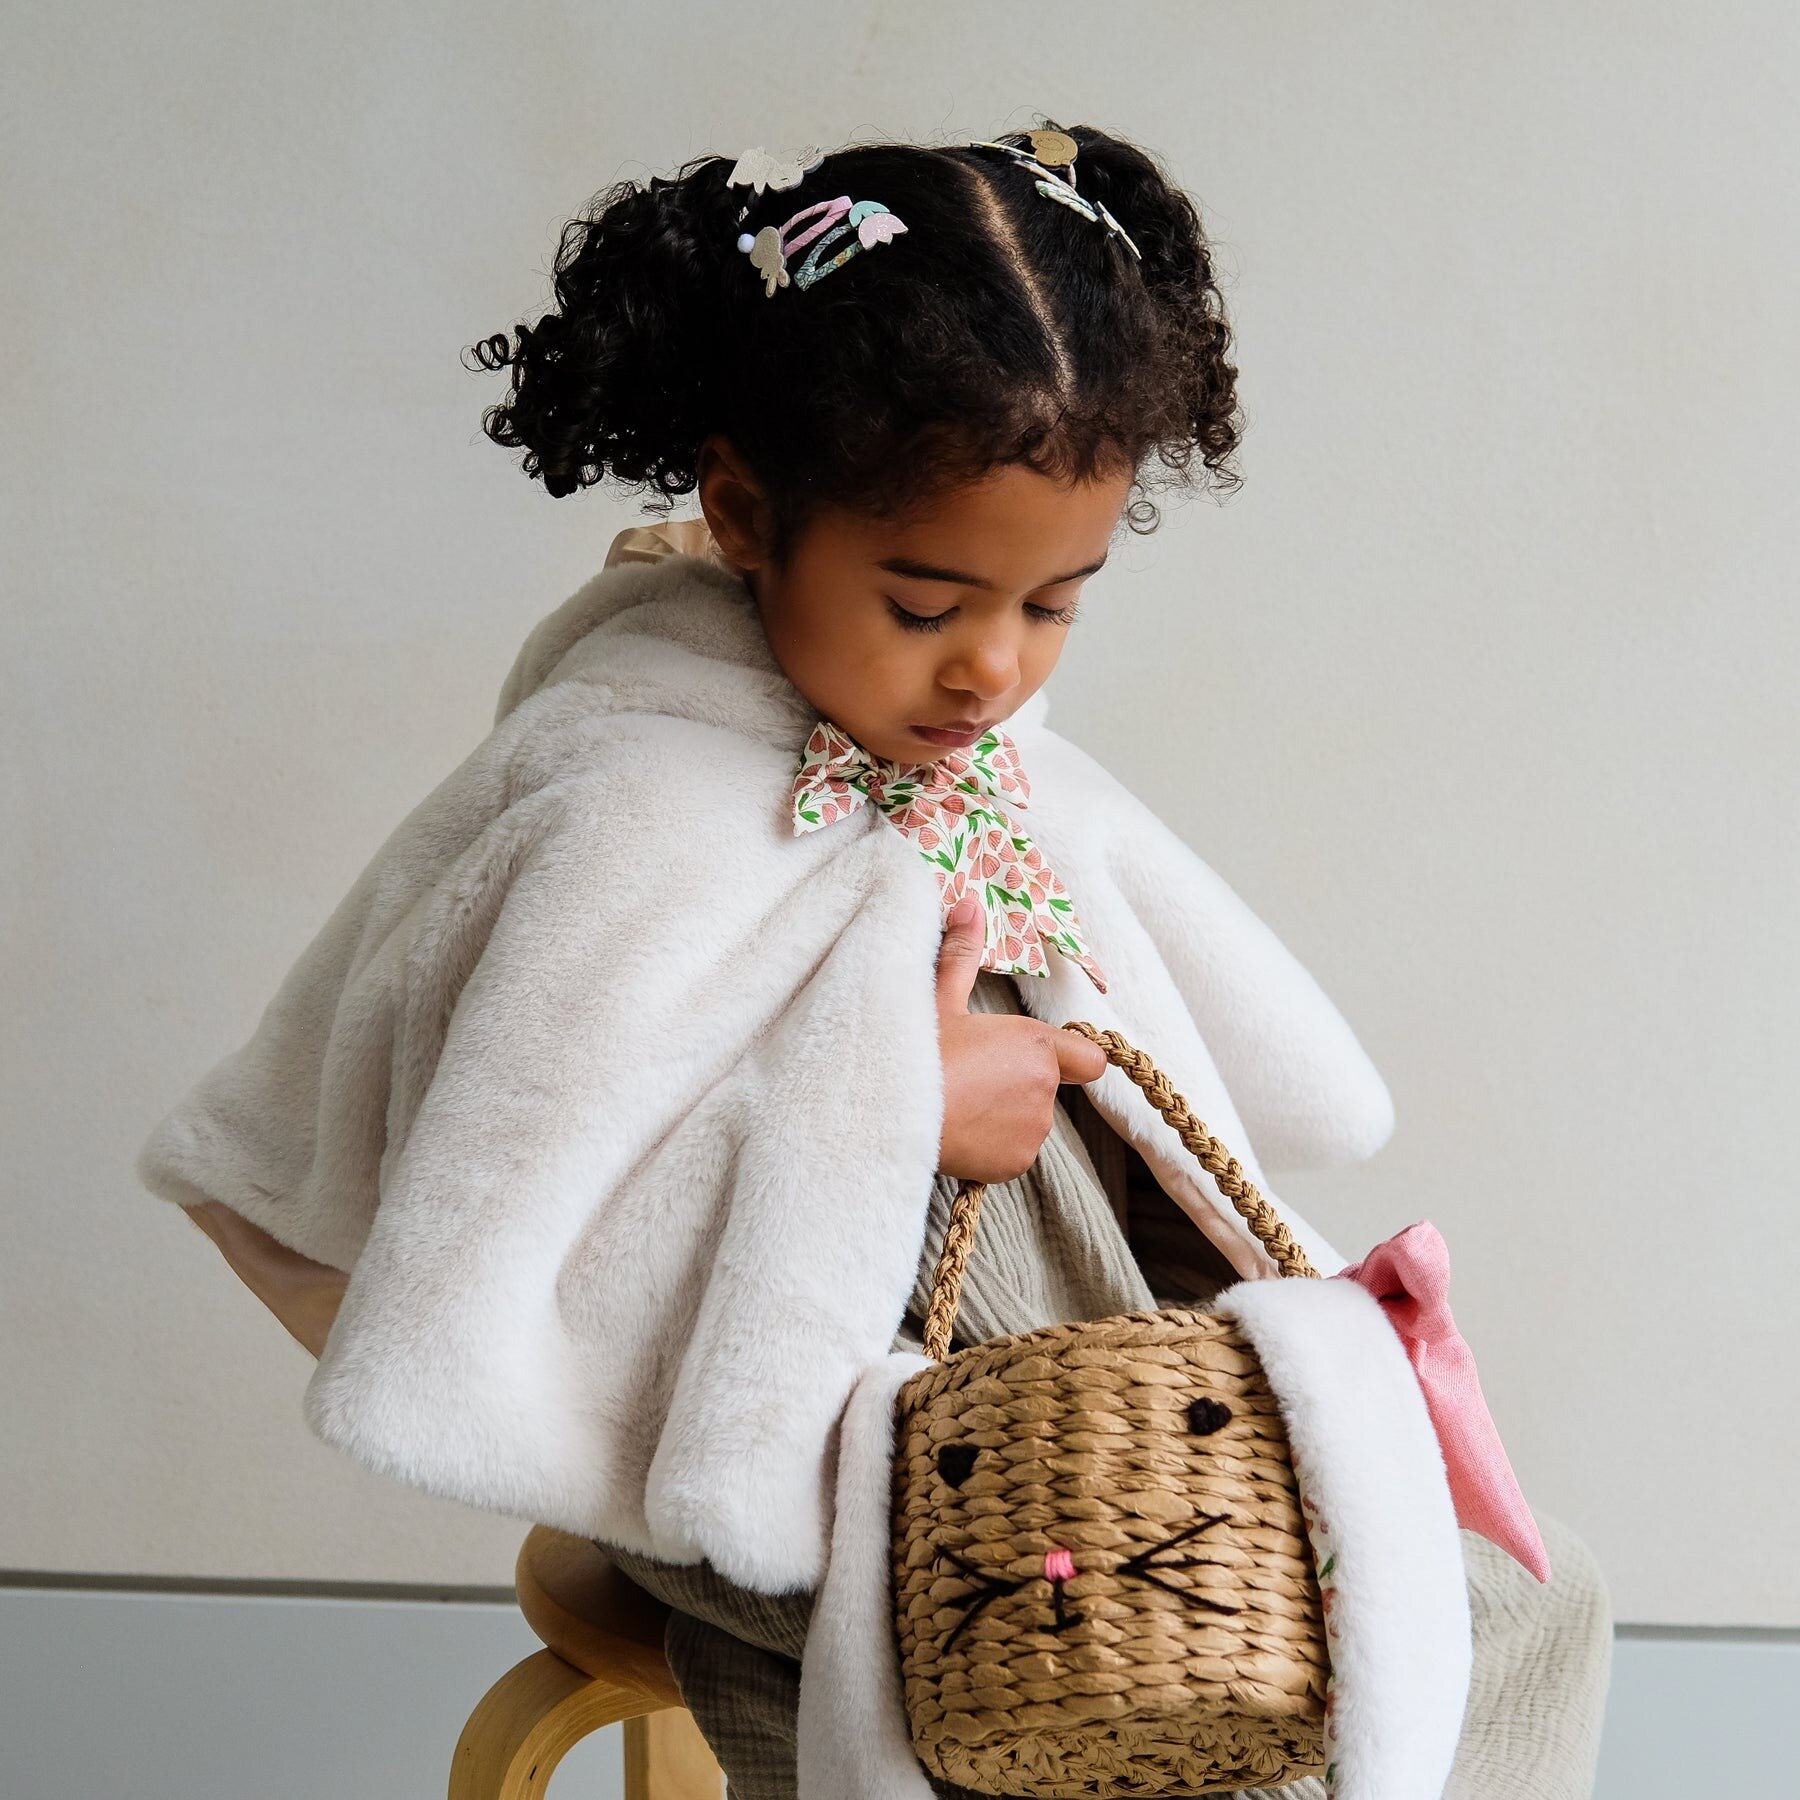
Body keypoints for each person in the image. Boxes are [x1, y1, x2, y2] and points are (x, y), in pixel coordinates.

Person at [142, 120, 1611, 1799]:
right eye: (926, 606)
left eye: (1053, 604)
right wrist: (893, 1103)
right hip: (768, 1453)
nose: (991, 669)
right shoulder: (629, 801)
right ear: (743, 511)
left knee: (1507, 1592)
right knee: (1125, 1682)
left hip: (1056, 1389)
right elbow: (536, 1202)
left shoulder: (962, 752)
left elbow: (1174, 1018)